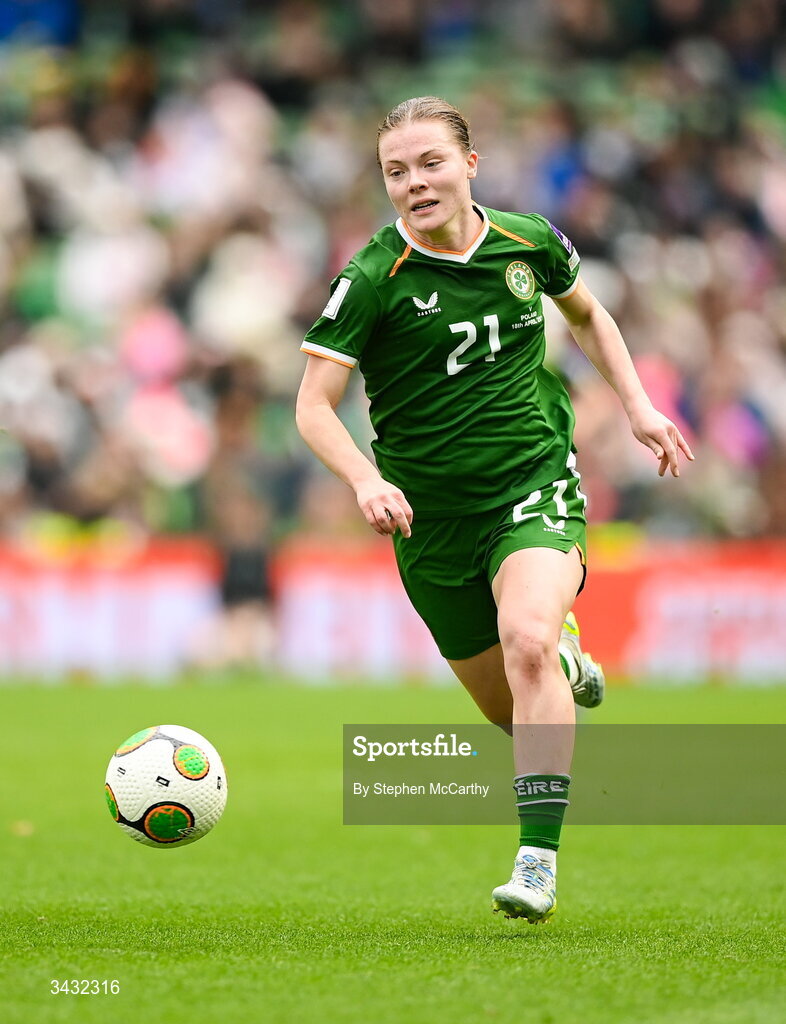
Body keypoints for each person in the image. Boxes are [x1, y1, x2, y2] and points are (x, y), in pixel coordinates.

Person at [295, 96, 693, 924]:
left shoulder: (529, 241)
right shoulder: (372, 279)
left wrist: (638, 405)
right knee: (516, 715)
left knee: (528, 642)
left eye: (430, 163)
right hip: (430, 524)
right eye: (396, 172)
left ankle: (536, 862)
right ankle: (560, 660)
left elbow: (587, 313)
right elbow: (313, 406)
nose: (415, 183)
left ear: (470, 165)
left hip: (532, 483)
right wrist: (366, 480)